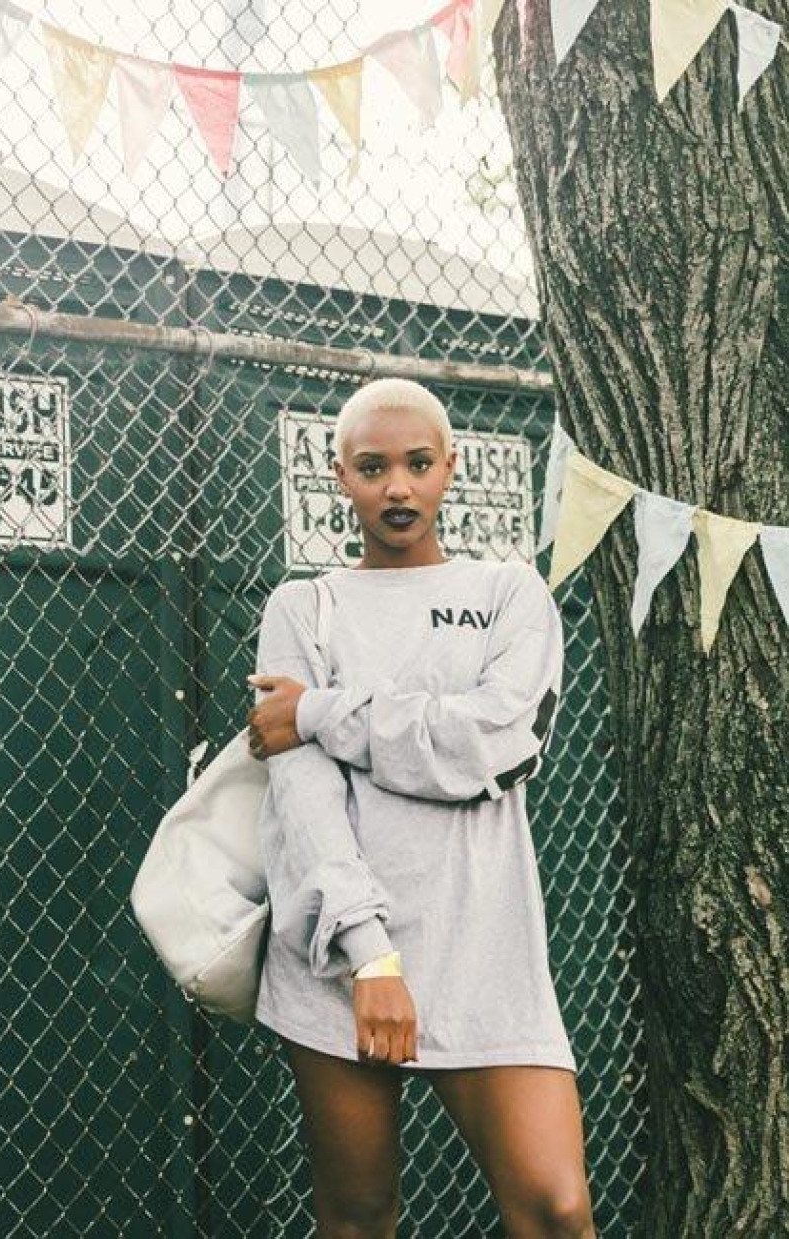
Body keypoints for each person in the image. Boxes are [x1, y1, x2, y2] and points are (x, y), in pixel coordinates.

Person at [246, 378, 597, 1239]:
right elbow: (302, 793)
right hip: (340, 953)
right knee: (358, 1215)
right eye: (371, 468)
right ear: (340, 476)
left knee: (555, 1210)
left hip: (483, 942)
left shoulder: (509, 593)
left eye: (415, 464)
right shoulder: (303, 607)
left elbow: (495, 744)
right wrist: (371, 957)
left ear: (451, 467)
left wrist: (323, 711)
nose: (395, 487)